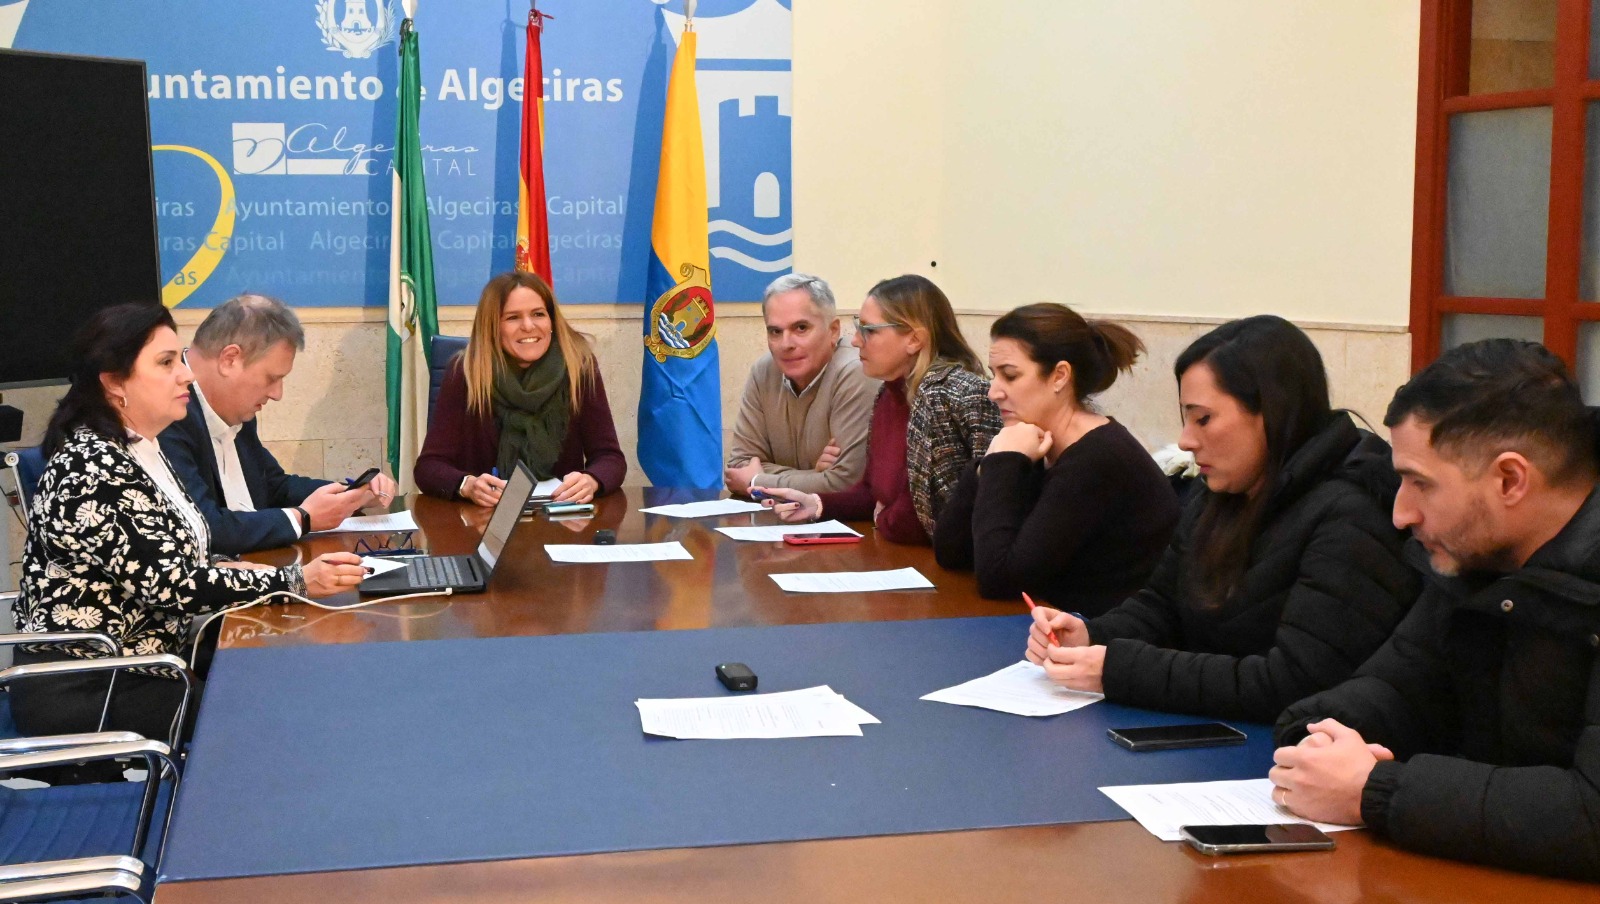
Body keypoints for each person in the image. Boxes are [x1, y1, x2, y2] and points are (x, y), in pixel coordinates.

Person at [1269, 339, 1600, 881]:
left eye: (1420, 482)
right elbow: (1400, 686)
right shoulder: (1477, 556)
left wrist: (1373, 791)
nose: (1401, 513)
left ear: (1510, 480)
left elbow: (1591, 815)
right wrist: (1317, 739)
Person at [11, 303, 365, 764]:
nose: (186, 374)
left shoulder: (141, 449)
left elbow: (168, 551)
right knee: (276, 713)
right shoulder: (94, 467)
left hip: (144, 665)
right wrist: (295, 580)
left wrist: (227, 567)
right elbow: (172, 587)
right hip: (94, 684)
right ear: (114, 382)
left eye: (178, 359)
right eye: (166, 363)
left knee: (282, 684)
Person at [1026, 315, 1418, 722]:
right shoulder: (1222, 489)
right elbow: (1164, 603)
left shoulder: (1352, 514)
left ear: (1272, 412)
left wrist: (1119, 670)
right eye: (1186, 418)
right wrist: (1092, 635)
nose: (1186, 441)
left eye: (1204, 419)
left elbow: (1296, 681)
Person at [933, 304, 1179, 614]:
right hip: (1052, 622)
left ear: (1060, 376)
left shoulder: (1098, 458)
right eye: (994, 375)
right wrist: (987, 467)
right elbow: (951, 552)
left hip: (1105, 633)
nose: (993, 392)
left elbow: (999, 580)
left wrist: (1003, 465)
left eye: (1010, 375)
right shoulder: (1035, 442)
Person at [762, 274, 1002, 544]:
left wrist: (883, 517)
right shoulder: (888, 394)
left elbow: (929, 516)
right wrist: (816, 504)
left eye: (870, 330)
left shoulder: (946, 393)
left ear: (914, 339)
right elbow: (872, 492)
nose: (855, 341)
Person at [159, 294, 397, 554]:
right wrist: (303, 518)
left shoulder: (235, 406)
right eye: (271, 378)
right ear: (230, 359)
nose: (277, 394)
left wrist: (351, 494)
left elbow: (273, 486)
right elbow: (203, 527)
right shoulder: (165, 415)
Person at [415, 270, 625, 505]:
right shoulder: (466, 372)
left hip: (561, 516)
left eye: (538, 314)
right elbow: (428, 468)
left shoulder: (579, 367)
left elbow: (610, 458)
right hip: (487, 518)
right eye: (513, 317)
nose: (528, 326)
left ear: (552, 321)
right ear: (492, 327)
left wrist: (592, 480)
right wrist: (467, 485)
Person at [724, 273, 879, 496]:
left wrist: (757, 480)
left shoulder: (856, 371)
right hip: (774, 515)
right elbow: (739, 466)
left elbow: (845, 484)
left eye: (801, 328)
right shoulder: (764, 371)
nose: (786, 344)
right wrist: (813, 476)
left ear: (833, 330)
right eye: (775, 331)